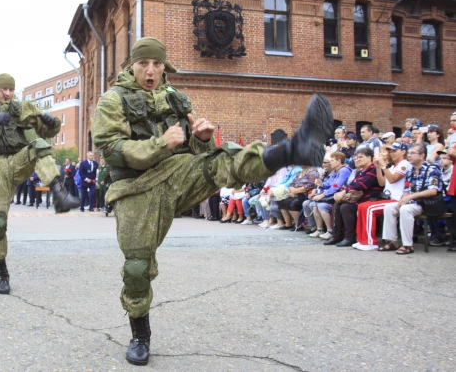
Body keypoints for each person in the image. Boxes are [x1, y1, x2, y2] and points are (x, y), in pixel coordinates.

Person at [92, 37, 333, 365]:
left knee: (220, 161)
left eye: (157, 64)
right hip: (135, 189)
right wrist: (159, 144)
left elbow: (193, 152)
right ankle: (140, 334)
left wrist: (201, 140)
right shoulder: (113, 99)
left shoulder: (178, 99)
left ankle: (292, 150)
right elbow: (111, 148)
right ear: (131, 66)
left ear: (165, 67)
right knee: (137, 268)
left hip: (176, 172)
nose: (150, 71)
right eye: (143, 64)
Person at [0, 73, 79, 294]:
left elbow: (49, 131)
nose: (7, 94)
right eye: (3, 89)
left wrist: (49, 121)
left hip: (16, 161)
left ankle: (59, 195)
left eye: (11, 90)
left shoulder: (20, 108)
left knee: (38, 144)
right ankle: (1, 273)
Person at [380, 143, 443, 254]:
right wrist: (402, 200)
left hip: (427, 203)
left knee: (405, 209)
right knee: (389, 207)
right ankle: (392, 241)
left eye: (413, 153)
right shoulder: (410, 171)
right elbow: (406, 190)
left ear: (422, 155)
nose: (409, 155)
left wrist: (410, 197)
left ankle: (408, 245)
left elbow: (433, 191)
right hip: (414, 203)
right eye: (409, 153)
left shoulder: (432, 169)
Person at [353, 143, 411, 250]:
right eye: (391, 151)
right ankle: (362, 240)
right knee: (362, 206)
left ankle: (370, 242)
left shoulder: (405, 164)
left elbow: (393, 179)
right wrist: (378, 167)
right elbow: (382, 183)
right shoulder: (393, 166)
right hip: (388, 198)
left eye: (395, 151)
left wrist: (383, 165)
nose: (392, 153)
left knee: (369, 208)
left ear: (403, 152)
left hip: (397, 199)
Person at [325, 147, 381, 247]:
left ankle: (350, 237)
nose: (357, 159)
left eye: (360, 157)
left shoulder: (373, 169)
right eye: (355, 158)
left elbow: (362, 185)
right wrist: (344, 191)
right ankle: (337, 235)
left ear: (369, 158)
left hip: (370, 199)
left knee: (346, 207)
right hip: (358, 198)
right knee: (338, 204)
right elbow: (353, 184)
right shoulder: (360, 171)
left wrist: (344, 192)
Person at [307, 151, 352, 239]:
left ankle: (330, 231)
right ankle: (320, 229)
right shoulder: (335, 171)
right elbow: (329, 183)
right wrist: (322, 184)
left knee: (322, 205)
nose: (330, 162)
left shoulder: (344, 170)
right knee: (313, 204)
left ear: (339, 161)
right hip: (332, 194)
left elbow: (336, 186)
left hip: (339, 196)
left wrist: (322, 195)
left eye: (332, 160)